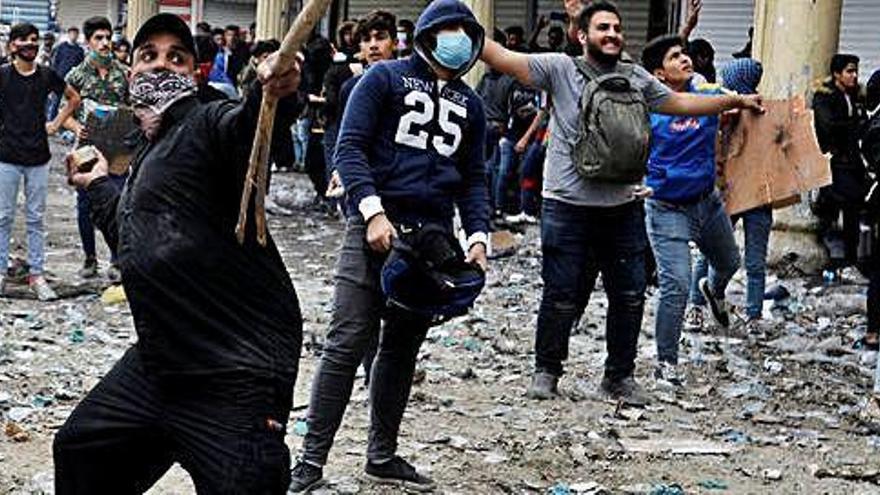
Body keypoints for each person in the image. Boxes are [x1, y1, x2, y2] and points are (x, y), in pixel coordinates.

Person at [53, 13, 304, 493]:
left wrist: (275, 90)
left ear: (194, 74)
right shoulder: (150, 150)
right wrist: (98, 182)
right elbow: (136, 230)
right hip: (161, 365)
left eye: (177, 57)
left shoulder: (208, 121)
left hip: (233, 372)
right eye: (148, 56)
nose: (161, 66)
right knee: (82, 450)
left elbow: (248, 125)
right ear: (132, 75)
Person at [479, 0, 763, 404]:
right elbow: (503, 56)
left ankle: (619, 377)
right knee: (560, 294)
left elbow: (681, 102)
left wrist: (734, 101)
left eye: (616, 28)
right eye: (602, 28)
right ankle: (546, 372)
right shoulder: (560, 69)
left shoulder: (635, 78)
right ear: (582, 35)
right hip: (566, 205)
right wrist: (455, 17)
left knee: (628, 295)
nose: (612, 34)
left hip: (622, 206)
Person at [289, 0, 489, 491]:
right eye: (448, 29)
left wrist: (479, 236)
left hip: (432, 239)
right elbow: (350, 147)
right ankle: (310, 463)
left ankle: (382, 455)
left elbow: (474, 178)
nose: (457, 37)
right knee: (347, 339)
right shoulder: (382, 80)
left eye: (466, 30)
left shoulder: (472, 104)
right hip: (374, 226)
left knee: (401, 349)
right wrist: (372, 210)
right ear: (424, 33)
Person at [639, 35, 742, 388]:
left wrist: (749, 103)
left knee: (730, 263)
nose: (684, 59)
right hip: (666, 208)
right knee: (676, 286)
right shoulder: (648, 109)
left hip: (707, 203)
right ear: (658, 73)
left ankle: (714, 290)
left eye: (685, 54)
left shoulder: (708, 97)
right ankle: (666, 363)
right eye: (674, 57)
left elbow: (735, 102)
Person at [0, 23, 81, 301]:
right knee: (3, 217)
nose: (30, 45)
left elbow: (73, 98)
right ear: (12, 46)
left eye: (34, 40)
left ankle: (37, 275)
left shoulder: (47, 75)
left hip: (38, 157)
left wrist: (56, 124)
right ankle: (1, 273)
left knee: (35, 219)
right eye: (23, 40)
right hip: (6, 156)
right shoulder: (3, 76)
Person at [689, 58, 770, 331]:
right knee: (748, 259)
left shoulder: (763, 112)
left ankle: (699, 308)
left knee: (715, 255)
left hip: (744, 195)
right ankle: (749, 314)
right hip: (744, 195)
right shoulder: (722, 111)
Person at [64, 16, 131, 282]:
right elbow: (65, 112)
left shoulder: (124, 73)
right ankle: (90, 258)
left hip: (118, 146)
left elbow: (134, 108)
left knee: (118, 200)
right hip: (88, 147)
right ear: (88, 41)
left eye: (108, 37)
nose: (105, 43)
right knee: (85, 204)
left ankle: (116, 259)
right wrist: (75, 128)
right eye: (98, 38)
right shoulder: (76, 75)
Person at [322, 11, 397, 192]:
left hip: (401, 183)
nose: (373, 46)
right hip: (362, 181)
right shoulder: (351, 87)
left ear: (394, 43)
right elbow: (340, 132)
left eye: (380, 38)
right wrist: (337, 169)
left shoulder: (407, 84)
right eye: (366, 39)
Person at [813, 54, 868, 268]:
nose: (854, 76)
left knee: (853, 208)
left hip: (852, 162)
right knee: (839, 207)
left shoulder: (853, 96)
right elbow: (829, 127)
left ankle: (848, 259)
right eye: (849, 71)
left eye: (855, 71)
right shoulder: (825, 97)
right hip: (835, 162)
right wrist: (855, 125)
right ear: (837, 74)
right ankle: (840, 259)